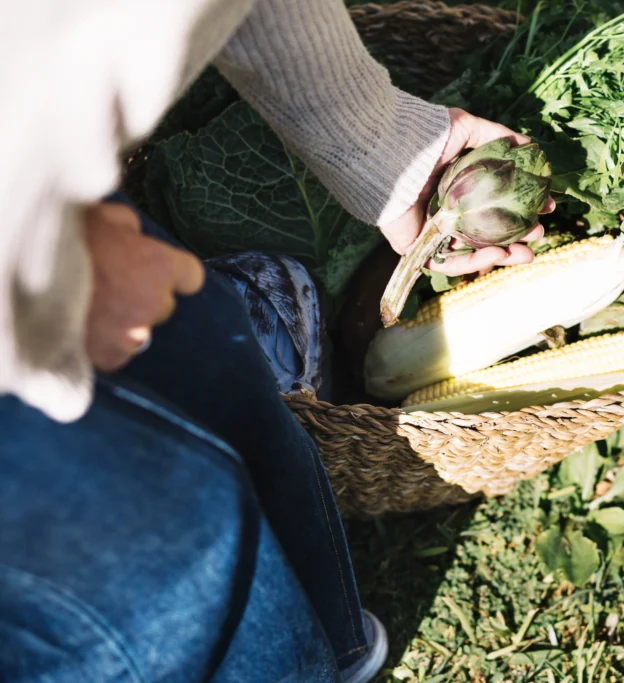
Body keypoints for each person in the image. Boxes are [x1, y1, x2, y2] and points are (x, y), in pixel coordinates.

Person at [0, 1, 550, 681]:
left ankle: (329, 643)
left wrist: (383, 145)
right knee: (162, 571)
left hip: (55, 196)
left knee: (238, 402)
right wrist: (38, 269)